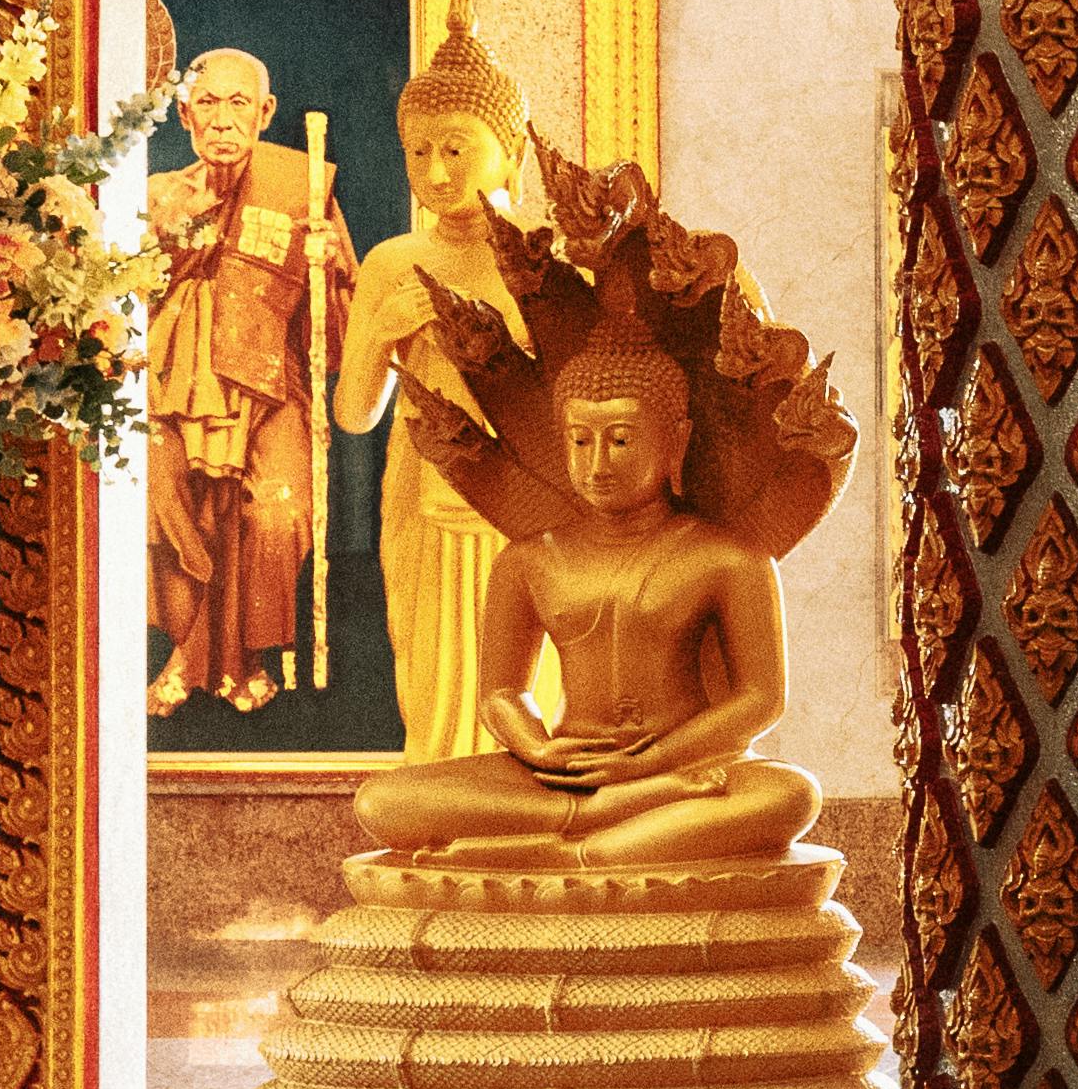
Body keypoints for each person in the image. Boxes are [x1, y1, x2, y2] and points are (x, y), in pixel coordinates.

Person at [346, 335, 815, 865]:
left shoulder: (729, 558)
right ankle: (597, 832)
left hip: (688, 768)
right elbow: (501, 692)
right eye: (578, 441)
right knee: (382, 802)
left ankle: (564, 850)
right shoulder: (529, 561)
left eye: (619, 441)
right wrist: (540, 749)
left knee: (790, 794)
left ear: (676, 441)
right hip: (567, 774)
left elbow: (760, 699)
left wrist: (649, 762)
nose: (597, 464)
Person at [330, 5, 540, 761]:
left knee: (523, 692)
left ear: (512, 154)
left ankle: (526, 834)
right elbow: (354, 416)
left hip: (530, 501)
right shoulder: (392, 262)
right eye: (418, 153)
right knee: (435, 694)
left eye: (457, 148)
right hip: (423, 492)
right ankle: (444, 827)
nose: (436, 172)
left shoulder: (550, 265)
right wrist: (385, 331)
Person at [145, 44, 354, 715]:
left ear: (265, 113)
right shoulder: (157, 198)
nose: (224, 119)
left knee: (280, 511)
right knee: (156, 499)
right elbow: (119, 310)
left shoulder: (305, 195)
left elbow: (342, 342)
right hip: (172, 388)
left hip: (271, 386)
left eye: (240, 103)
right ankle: (217, 658)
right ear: (183, 114)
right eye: (208, 103)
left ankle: (205, 660)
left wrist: (329, 271)